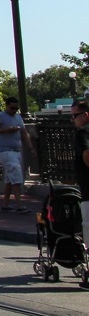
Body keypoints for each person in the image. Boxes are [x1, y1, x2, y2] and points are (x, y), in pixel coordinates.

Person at [0, 96, 32, 213]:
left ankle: (5, 204)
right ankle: (20, 205)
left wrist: (30, 148)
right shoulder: (0, 116)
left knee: (9, 179)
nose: (14, 110)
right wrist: (5, 131)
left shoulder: (18, 117)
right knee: (16, 177)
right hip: (5, 151)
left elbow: (24, 132)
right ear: (6, 106)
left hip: (16, 151)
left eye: (16, 108)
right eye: (12, 108)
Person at [72, 99, 89, 289]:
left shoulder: (83, 132)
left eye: (75, 116)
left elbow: (86, 153)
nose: (73, 120)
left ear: (85, 115)